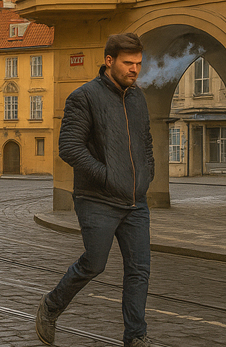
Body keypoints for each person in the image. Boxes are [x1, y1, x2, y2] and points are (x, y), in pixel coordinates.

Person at [36, 33, 153, 347]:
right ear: (109, 61)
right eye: (128, 63)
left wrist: (145, 176)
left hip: (135, 201)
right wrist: (107, 175)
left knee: (139, 269)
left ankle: (136, 337)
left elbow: (146, 145)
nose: (135, 70)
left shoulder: (138, 98)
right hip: (97, 198)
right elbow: (69, 147)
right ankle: (51, 305)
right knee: (94, 263)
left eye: (139, 64)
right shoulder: (83, 96)